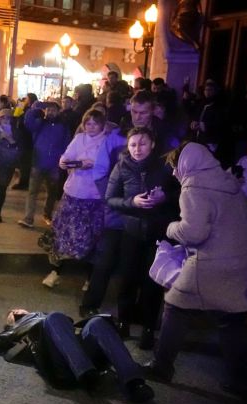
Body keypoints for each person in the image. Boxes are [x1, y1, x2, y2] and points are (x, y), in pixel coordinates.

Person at [145, 142, 247, 400]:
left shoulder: (194, 188)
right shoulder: (226, 181)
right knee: (232, 320)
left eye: (175, 166)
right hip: (244, 262)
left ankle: (161, 367)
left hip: (213, 263)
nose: (174, 173)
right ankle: (242, 382)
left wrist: (169, 227)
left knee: (175, 307)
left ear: (185, 164)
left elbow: (193, 233)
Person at [0, 310, 154, 403]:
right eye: (12, 314)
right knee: (53, 318)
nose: (14, 312)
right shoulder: (27, 327)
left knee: (96, 324)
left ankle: (134, 382)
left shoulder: (50, 321)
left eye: (16, 311)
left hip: (81, 356)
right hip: (63, 368)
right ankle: (86, 374)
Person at [105, 127, 179, 349]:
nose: (137, 149)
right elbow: (110, 198)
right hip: (131, 231)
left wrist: (165, 197)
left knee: (153, 283)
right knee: (127, 278)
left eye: (142, 144)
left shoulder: (166, 167)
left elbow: (182, 193)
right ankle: (124, 322)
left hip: (158, 233)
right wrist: (132, 203)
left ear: (152, 144)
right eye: (133, 144)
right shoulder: (122, 166)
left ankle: (148, 328)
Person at [42, 109, 108, 290]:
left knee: (91, 238)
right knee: (62, 234)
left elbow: (107, 166)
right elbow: (66, 156)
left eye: (95, 123)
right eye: (88, 123)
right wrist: (64, 162)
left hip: (93, 197)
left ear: (102, 124)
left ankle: (90, 278)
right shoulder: (79, 138)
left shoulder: (106, 142)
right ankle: (55, 272)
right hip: (72, 193)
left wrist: (93, 165)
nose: (91, 127)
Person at [18, 101, 71, 228]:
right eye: (48, 110)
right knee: (32, 192)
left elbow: (67, 143)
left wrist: (62, 159)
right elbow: (28, 121)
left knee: (52, 192)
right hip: (38, 162)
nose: (50, 112)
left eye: (53, 110)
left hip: (54, 164)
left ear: (58, 111)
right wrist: (36, 108)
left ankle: (47, 214)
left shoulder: (63, 126)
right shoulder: (40, 123)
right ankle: (28, 218)